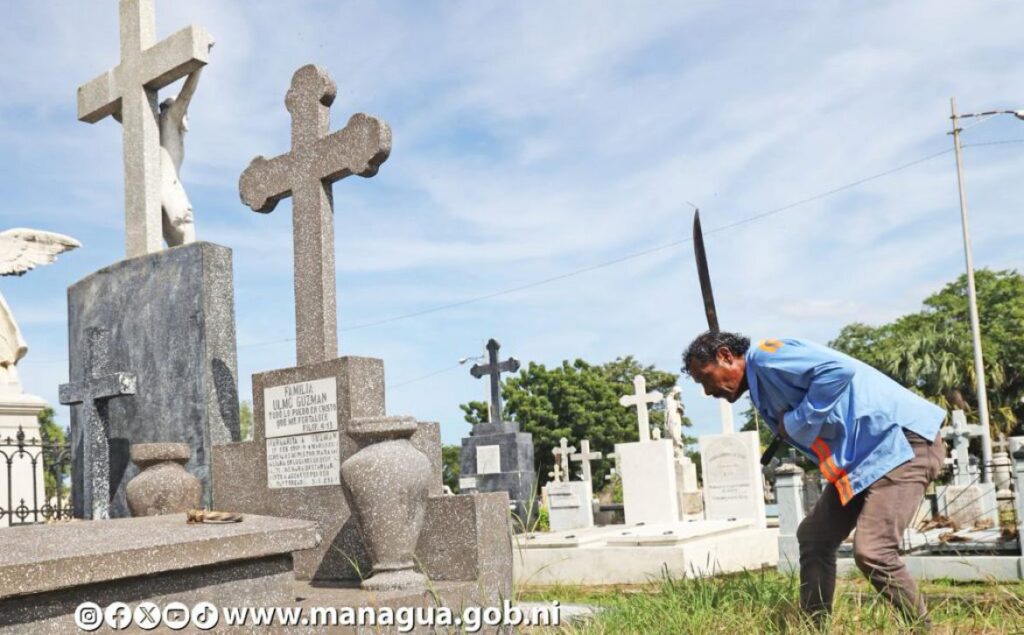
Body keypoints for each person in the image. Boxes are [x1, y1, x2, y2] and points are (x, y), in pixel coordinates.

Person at [683, 331, 945, 626]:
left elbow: (837, 371)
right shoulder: (762, 386)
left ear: (726, 356)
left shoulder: (767, 357)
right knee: (814, 537)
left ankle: (924, 629)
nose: (708, 391)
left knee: (874, 551)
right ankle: (814, 627)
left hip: (899, 443)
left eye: (705, 378)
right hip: (864, 459)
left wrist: (795, 421)